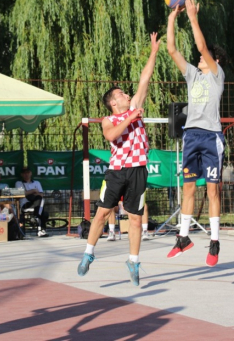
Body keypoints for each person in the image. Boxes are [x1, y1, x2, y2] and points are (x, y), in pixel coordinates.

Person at [77, 32, 160, 286]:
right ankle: (88, 255)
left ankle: (133, 261)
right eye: (122, 94)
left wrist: (154, 51)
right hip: (116, 172)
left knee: (135, 218)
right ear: (114, 102)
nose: (127, 95)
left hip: (138, 170)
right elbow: (113, 135)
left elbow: (145, 79)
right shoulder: (108, 120)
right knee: (102, 213)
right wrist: (131, 117)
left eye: (126, 93)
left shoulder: (134, 105)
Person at [166, 0, 228, 267]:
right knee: (188, 188)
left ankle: (214, 241)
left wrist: (192, 16)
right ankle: (183, 237)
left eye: (205, 57)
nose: (199, 59)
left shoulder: (217, 74)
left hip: (211, 136)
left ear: (214, 60)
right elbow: (171, 50)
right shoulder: (193, 75)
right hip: (191, 135)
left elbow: (201, 46)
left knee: (212, 191)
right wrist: (173, 17)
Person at [15, 167, 49, 237]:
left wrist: (27, 193)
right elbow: (20, 194)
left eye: (28, 172)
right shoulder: (19, 183)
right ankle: (41, 228)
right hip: (25, 204)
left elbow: (41, 194)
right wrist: (33, 191)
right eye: (24, 173)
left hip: (36, 203)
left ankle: (36, 216)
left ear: (31, 173)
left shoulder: (37, 182)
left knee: (40, 199)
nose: (26, 174)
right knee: (42, 208)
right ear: (21, 174)